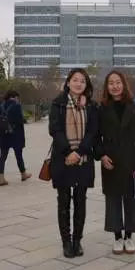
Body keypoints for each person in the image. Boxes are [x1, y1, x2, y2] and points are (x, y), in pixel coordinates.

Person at [97, 70, 135, 255]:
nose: (115, 86)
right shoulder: (102, 108)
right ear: (107, 86)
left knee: (131, 199)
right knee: (113, 200)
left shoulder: (134, 108)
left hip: (131, 160)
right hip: (111, 161)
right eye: (111, 83)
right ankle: (117, 237)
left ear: (124, 84)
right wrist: (101, 155)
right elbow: (96, 136)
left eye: (118, 82)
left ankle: (129, 236)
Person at [49, 68, 98, 259]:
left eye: (83, 81)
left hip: (83, 159)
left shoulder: (91, 105)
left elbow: (93, 131)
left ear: (86, 85)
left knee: (80, 201)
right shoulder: (58, 103)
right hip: (63, 159)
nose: (79, 84)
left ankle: (77, 240)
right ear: (68, 82)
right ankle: (66, 242)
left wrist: (79, 152)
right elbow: (55, 129)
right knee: (63, 201)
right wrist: (68, 152)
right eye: (75, 80)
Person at [0, 90, 31, 186]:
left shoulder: (1, 106)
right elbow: (20, 120)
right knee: (19, 155)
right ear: (15, 97)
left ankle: (1, 178)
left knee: (3, 156)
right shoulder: (17, 106)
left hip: (4, 134)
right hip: (15, 134)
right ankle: (23, 174)